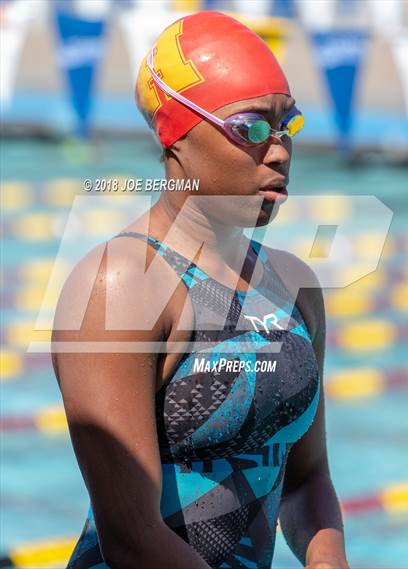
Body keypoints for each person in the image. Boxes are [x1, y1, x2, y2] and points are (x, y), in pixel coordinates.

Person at [52, 10, 349, 569]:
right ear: (176, 138)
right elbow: (131, 537)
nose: (280, 150)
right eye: (251, 128)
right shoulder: (121, 285)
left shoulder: (295, 287)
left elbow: (306, 479)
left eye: (289, 124)